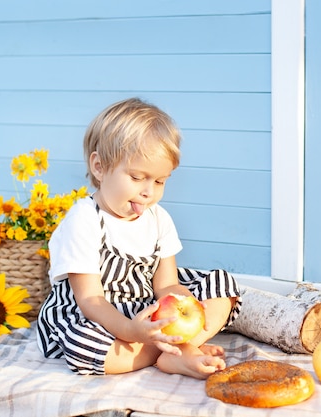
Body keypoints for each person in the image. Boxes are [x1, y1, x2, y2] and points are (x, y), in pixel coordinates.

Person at [36, 98, 242, 379]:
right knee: (83, 345)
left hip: (145, 305)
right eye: (137, 177)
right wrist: (131, 331)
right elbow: (91, 300)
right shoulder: (84, 220)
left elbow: (167, 284)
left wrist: (188, 306)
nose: (149, 192)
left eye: (159, 181)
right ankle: (173, 352)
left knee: (222, 285)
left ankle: (176, 349)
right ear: (99, 167)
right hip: (99, 314)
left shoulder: (158, 219)